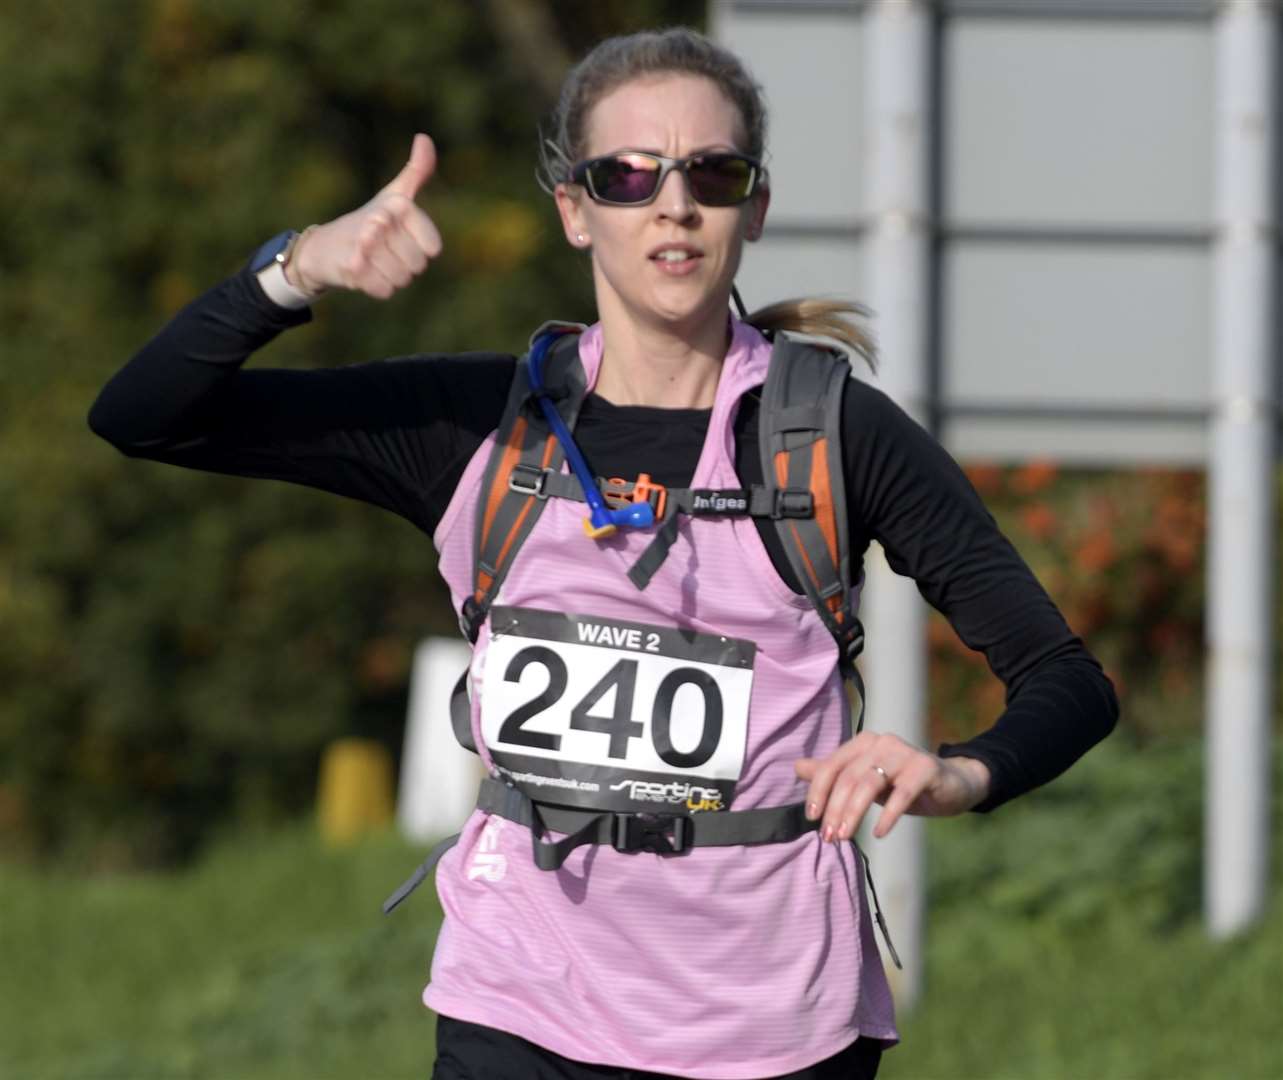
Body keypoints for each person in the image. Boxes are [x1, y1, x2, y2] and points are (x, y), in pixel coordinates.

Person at [90, 26, 1117, 1080]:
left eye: (710, 174)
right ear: (574, 212)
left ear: (752, 208)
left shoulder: (832, 435)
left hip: (776, 1025)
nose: (671, 203)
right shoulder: (477, 426)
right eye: (626, 175)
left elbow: (1066, 683)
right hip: (521, 1001)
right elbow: (145, 416)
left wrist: (953, 774)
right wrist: (297, 267)